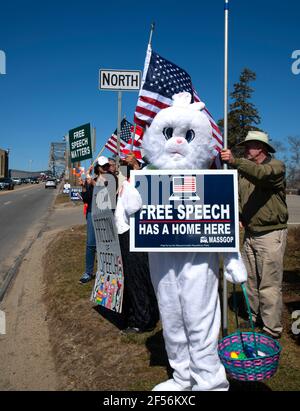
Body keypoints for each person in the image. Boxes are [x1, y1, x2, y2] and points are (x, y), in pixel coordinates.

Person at [221, 130, 289, 339]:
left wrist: (235, 161)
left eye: (248, 146)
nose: (245, 149)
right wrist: (241, 215)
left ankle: (271, 329)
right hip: (250, 234)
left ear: (260, 148)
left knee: (268, 284)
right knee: (249, 280)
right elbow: (243, 198)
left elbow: (261, 175)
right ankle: (256, 317)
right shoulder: (245, 173)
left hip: (271, 234)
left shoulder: (275, 167)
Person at [115, 152, 159, 334]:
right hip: (126, 232)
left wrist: (133, 174)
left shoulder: (136, 182)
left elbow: (136, 204)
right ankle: (144, 313)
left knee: (137, 277)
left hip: (133, 232)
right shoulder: (126, 182)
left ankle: (142, 320)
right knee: (136, 276)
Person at [78, 156, 113, 284]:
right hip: (92, 213)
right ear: (98, 168)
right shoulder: (92, 180)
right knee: (91, 243)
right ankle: (88, 272)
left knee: (105, 244)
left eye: (107, 166)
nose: (107, 168)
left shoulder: (111, 178)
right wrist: (84, 186)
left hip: (105, 214)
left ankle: (105, 270)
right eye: (104, 166)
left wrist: (91, 181)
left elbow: (105, 191)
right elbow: (86, 199)